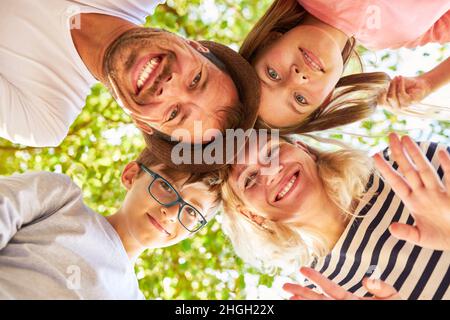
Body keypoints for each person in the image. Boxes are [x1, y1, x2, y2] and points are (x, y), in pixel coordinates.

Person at [219, 132, 450, 299]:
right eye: (249, 179)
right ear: (252, 216)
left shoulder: (405, 169)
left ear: (305, 149)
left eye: (273, 151)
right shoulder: (323, 294)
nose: (271, 172)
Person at [0, 0, 259, 148]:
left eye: (173, 113)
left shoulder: (44, 116)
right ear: (196, 46)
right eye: (195, 80)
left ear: (143, 125)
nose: (169, 87)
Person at [0, 147, 221, 299]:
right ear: (131, 175)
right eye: (166, 186)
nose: (172, 213)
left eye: (191, 211)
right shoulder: (60, 200)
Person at [239, 0, 450, 133]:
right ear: (327, 97)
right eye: (300, 99)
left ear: (267, 42)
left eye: (273, 74)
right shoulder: (392, 38)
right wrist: (429, 82)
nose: (297, 78)